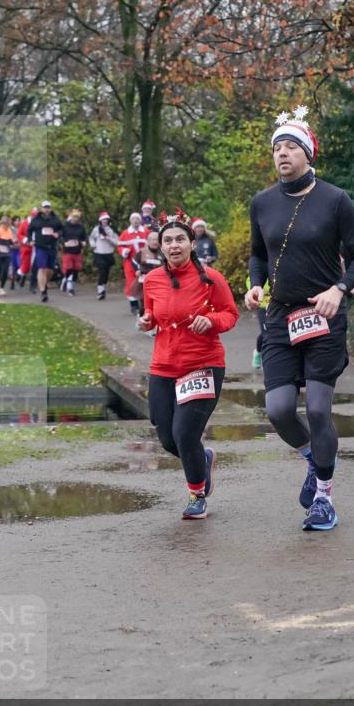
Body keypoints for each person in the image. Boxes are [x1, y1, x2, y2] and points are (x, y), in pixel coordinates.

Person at [245, 106, 354, 531]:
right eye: (277, 147)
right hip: (280, 316)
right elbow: (258, 254)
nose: (282, 153)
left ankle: (324, 498)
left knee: (317, 409)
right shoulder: (262, 203)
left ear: (308, 153)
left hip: (323, 315)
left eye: (290, 146)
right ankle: (315, 460)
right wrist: (256, 285)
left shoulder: (335, 199)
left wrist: (340, 289)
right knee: (279, 410)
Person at [138, 210, 239, 519]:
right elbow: (152, 315)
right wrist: (146, 321)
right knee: (168, 438)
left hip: (203, 364)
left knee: (184, 433)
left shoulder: (211, 278)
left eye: (180, 239)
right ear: (161, 246)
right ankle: (203, 459)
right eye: (168, 240)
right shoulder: (152, 280)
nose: (174, 246)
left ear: (192, 244)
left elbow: (230, 314)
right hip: (163, 365)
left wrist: (211, 321)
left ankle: (197, 495)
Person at [26, 199, 62, 302]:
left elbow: (61, 229)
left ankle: (44, 284)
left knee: (49, 271)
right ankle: (43, 292)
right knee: (41, 268)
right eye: (45, 207)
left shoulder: (55, 219)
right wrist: (30, 240)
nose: (46, 209)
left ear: (50, 208)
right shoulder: (36, 219)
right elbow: (29, 230)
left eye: (48, 207)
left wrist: (58, 234)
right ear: (41, 209)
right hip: (40, 247)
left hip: (52, 247)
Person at [118, 212, 149, 313]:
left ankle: (145, 304)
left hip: (145, 262)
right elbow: (120, 246)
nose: (135, 221)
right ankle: (133, 305)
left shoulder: (146, 232)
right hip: (130, 262)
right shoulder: (125, 233)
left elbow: (153, 243)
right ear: (130, 221)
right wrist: (124, 251)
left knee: (145, 282)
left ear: (140, 221)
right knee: (131, 282)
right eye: (133, 219)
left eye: (137, 219)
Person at [131, 229, 164, 320]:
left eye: (156, 239)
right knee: (144, 303)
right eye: (152, 239)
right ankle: (141, 318)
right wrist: (137, 270)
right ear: (148, 241)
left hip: (159, 281)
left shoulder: (163, 252)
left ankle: (155, 322)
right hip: (144, 280)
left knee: (157, 303)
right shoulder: (142, 251)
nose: (154, 242)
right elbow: (134, 262)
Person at [89, 212, 120, 300]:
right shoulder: (96, 229)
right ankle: (100, 290)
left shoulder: (111, 230)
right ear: (100, 220)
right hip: (98, 252)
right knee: (102, 269)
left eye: (106, 219)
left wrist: (109, 239)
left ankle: (103, 287)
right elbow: (91, 238)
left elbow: (117, 242)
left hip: (108, 253)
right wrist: (93, 245)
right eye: (103, 219)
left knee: (106, 271)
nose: (105, 221)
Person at [60, 209, 87, 296]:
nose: (75, 218)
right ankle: (70, 288)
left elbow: (84, 237)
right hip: (67, 251)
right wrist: (64, 242)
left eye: (77, 217)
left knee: (76, 270)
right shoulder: (65, 226)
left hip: (77, 251)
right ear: (71, 216)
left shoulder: (81, 227)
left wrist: (84, 242)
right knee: (69, 268)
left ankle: (67, 281)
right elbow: (60, 236)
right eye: (74, 216)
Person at [17, 209, 36, 288]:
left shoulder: (39, 223)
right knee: (26, 265)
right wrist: (27, 240)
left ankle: (33, 284)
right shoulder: (25, 223)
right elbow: (19, 234)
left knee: (35, 265)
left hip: (36, 246)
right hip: (27, 247)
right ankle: (20, 275)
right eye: (34, 216)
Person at [9, 216, 21, 289]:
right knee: (13, 266)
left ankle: (18, 277)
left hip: (20, 249)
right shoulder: (10, 229)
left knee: (19, 264)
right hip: (12, 249)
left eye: (18, 221)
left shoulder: (21, 228)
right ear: (13, 222)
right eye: (16, 221)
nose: (17, 222)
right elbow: (10, 238)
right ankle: (12, 282)